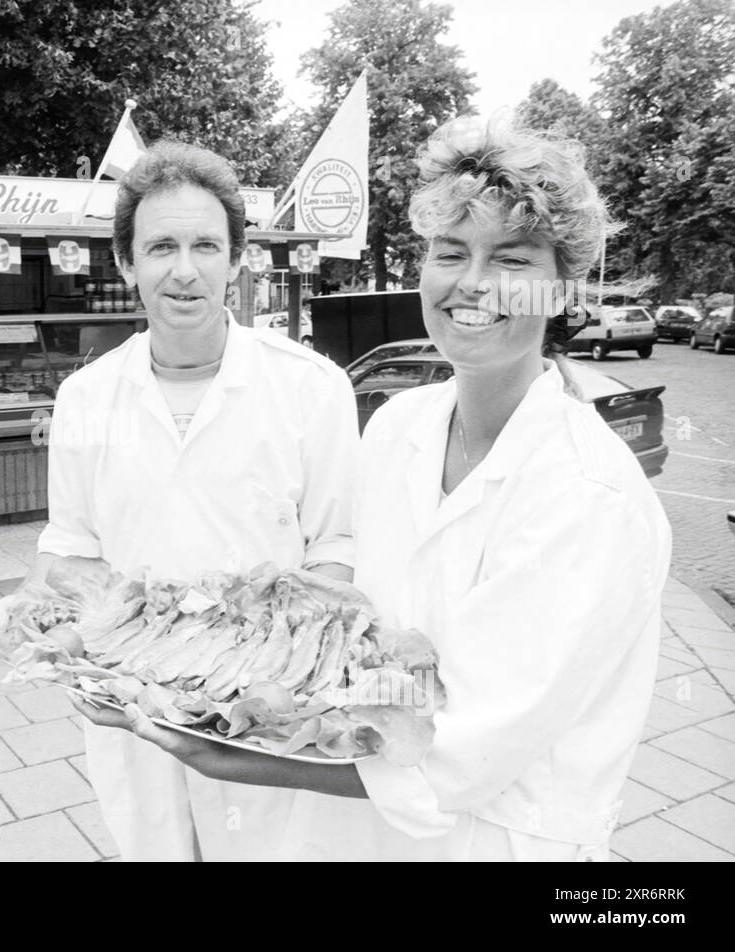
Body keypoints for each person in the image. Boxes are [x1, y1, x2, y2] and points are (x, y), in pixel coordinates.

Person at [75, 115, 672, 862]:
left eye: (512, 260)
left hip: (504, 841)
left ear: (560, 290)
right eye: (451, 252)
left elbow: (463, 754)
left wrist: (239, 756)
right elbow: (356, 629)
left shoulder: (586, 495)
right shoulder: (400, 427)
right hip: (370, 837)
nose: (474, 284)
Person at [0, 140, 363, 861]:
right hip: (134, 706)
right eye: (161, 246)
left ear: (238, 258)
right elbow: (69, 545)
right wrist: (48, 625)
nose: (185, 270)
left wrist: (278, 677)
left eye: (206, 245)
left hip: (264, 712)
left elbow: (338, 548)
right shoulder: (85, 398)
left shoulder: (312, 389)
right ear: (127, 263)